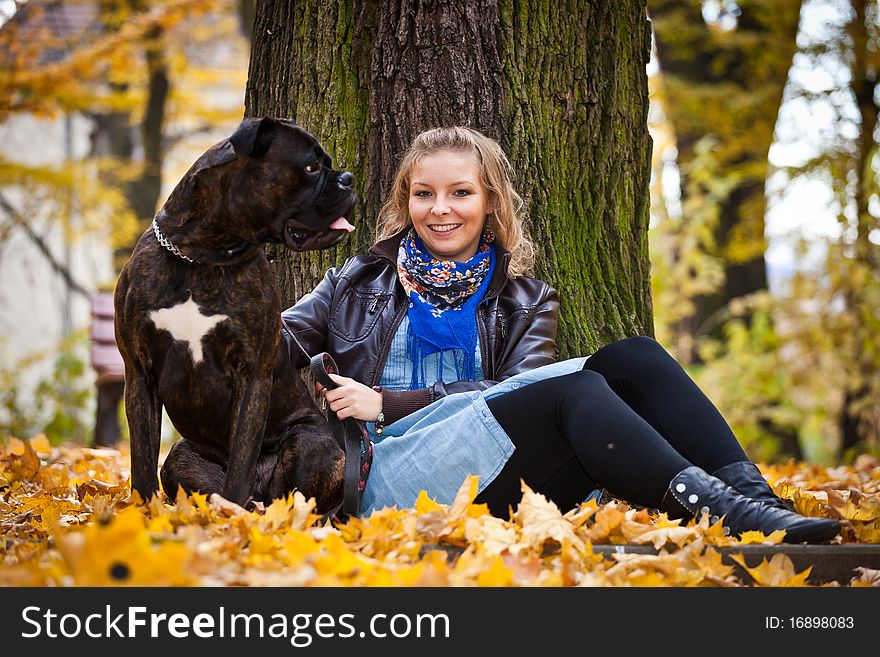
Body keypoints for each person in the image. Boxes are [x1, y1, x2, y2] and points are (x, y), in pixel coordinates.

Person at [281, 126, 840, 543]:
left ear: (490, 202)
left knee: (635, 357)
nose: (440, 209)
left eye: (460, 193)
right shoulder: (352, 283)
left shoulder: (526, 300)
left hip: (495, 469)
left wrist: (387, 400)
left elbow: (515, 396)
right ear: (406, 202)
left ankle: (755, 502)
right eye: (423, 194)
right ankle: (728, 514)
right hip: (385, 476)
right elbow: (266, 344)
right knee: (577, 391)